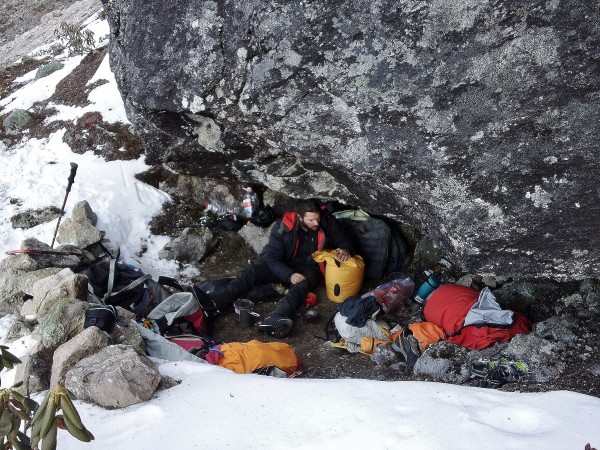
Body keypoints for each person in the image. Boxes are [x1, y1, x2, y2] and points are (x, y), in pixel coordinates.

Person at [195, 198, 355, 338]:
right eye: (311, 220)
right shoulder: (282, 227)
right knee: (250, 273)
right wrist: (289, 275)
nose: (316, 223)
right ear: (299, 217)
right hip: (282, 265)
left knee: (300, 288)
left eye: (317, 219)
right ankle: (214, 300)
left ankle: (277, 317)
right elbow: (272, 259)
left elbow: (346, 241)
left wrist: (346, 249)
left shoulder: (328, 223)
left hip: (310, 268)